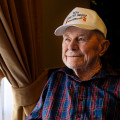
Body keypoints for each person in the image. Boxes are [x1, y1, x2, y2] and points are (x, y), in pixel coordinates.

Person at [25, 7, 120, 120]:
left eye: (81, 39)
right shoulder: (56, 79)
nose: (71, 46)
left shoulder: (117, 84)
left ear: (102, 47)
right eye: (67, 39)